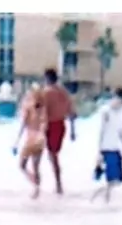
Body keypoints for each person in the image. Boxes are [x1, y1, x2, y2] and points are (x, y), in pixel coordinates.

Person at [91, 87, 122, 204]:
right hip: (106, 149)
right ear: (116, 98)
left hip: (115, 147)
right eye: (121, 101)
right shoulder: (106, 111)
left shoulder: (119, 112)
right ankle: (101, 198)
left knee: (118, 180)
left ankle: (101, 197)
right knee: (112, 179)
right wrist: (98, 152)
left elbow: (120, 129)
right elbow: (101, 131)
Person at [40, 67, 76, 195]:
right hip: (61, 125)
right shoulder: (64, 92)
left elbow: (42, 112)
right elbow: (72, 112)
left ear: (47, 79)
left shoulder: (46, 92)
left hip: (50, 125)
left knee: (51, 156)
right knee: (53, 155)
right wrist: (73, 130)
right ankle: (57, 184)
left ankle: (57, 184)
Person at [18, 89, 50, 196]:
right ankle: (37, 188)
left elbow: (23, 124)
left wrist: (16, 140)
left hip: (30, 140)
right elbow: (44, 125)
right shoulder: (43, 108)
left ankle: (34, 184)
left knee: (22, 165)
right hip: (40, 140)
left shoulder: (28, 107)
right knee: (36, 166)